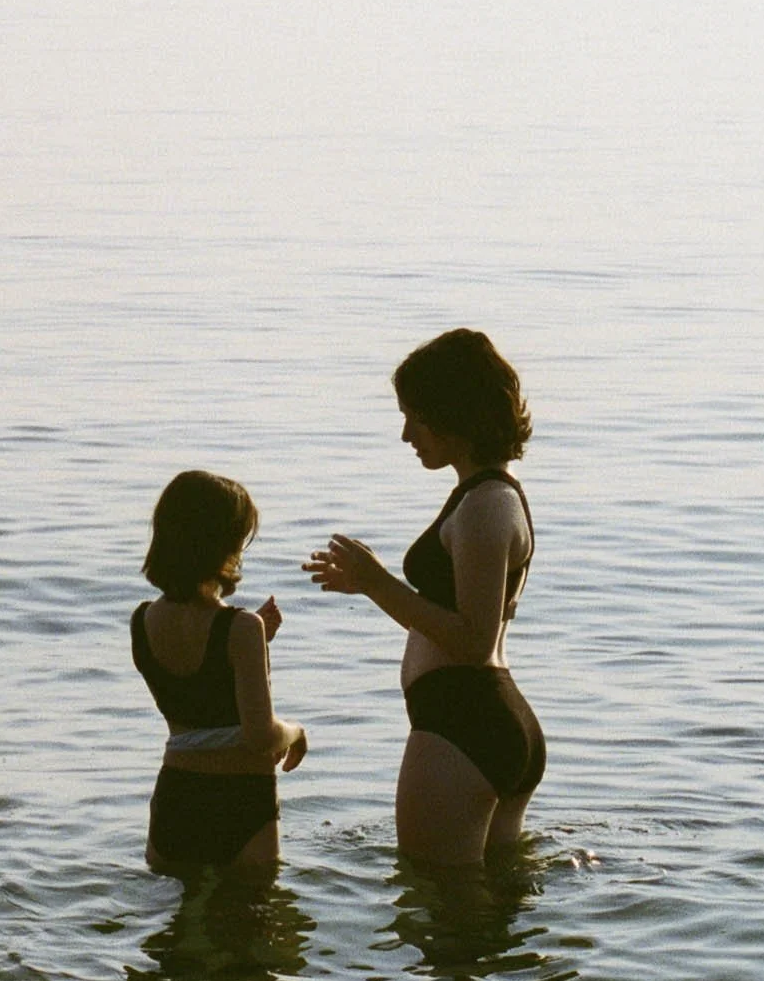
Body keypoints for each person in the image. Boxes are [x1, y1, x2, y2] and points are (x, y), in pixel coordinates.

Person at [302, 328, 544, 866]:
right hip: (484, 721)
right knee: (487, 916)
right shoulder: (483, 497)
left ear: (454, 412)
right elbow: (460, 625)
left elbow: (474, 641)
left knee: (437, 907)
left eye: (416, 415)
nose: (407, 433)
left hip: (461, 724)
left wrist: (377, 582)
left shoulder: (486, 505)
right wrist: (369, 587)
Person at [132, 470, 308, 877]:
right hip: (240, 803)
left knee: (174, 935)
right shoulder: (241, 627)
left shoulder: (142, 621)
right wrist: (297, 732)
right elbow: (260, 736)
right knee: (252, 933)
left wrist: (255, 645)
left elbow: (195, 701)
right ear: (224, 546)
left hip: (175, 799)